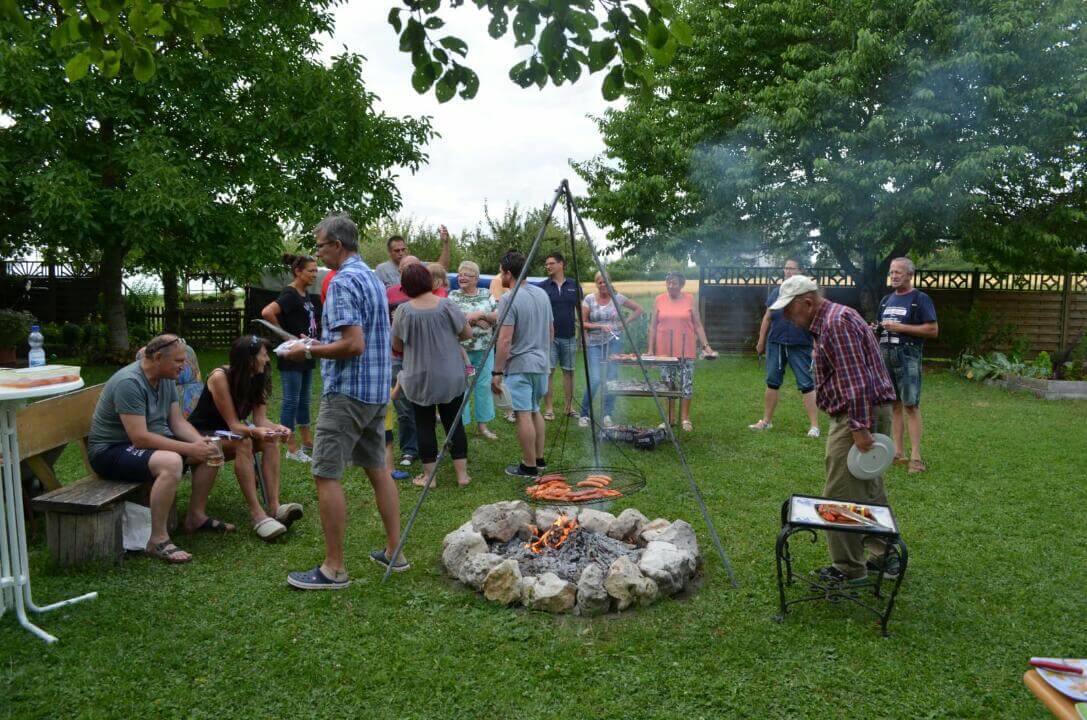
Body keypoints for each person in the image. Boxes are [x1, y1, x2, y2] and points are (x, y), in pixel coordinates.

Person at [285, 213, 405, 591]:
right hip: (374, 393)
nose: (317, 253)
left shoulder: (340, 283)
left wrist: (307, 350)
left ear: (337, 245)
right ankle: (394, 552)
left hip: (347, 395)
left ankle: (334, 569)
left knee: (325, 473)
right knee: (377, 470)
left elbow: (353, 344)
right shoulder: (372, 276)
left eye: (320, 245)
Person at [773, 275, 899, 584]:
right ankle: (885, 555)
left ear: (807, 302)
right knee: (867, 486)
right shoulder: (832, 318)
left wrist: (859, 428)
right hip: (863, 412)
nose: (788, 318)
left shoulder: (834, 324)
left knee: (840, 492)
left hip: (856, 415)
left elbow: (855, 381)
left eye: (790, 311)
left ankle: (849, 567)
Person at [87, 334, 226, 564]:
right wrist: (190, 448)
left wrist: (202, 444)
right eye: (179, 361)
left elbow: (177, 423)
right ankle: (157, 539)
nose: (184, 366)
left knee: (209, 450)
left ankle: (196, 517)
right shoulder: (129, 382)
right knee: (171, 462)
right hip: (110, 451)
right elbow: (139, 438)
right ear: (158, 357)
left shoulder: (167, 378)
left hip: (141, 443)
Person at [186, 336, 304, 541]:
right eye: (264, 356)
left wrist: (277, 428)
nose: (267, 360)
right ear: (249, 359)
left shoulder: (258, 377)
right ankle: (257, 514)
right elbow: (234, 425)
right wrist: (255, 431)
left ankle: (274, 507)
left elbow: (260, 420)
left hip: (230, 434)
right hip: (201, 434)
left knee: (269, 440)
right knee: (244, 442)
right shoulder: (220, 377)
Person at [392, 263, 474, 488]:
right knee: (454, 422)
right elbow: (467, 334)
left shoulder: (403, 311)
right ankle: (462, 476)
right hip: (450, 374)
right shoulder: (447, 305)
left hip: (419, 376)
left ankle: (430, 477)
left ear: (405, 286)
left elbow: (397, 345)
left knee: (424, 424)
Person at [492, 250, 553, 478]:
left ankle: (528, 466)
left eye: (501, 272)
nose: (500, 276)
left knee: (523, 413)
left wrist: (497, 371)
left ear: (509, 273)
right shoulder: (542, 295)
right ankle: (539, 459)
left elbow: (505, 339)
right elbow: (550, 330)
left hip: (520, 364)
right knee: (535, 409)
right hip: (541, 363)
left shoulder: (509, 297)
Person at [876, 257, 938, 474]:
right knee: (893, 404)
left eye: (898, 273)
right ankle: (897, 453)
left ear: (910, 275)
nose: (893, 276)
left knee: (911, 405)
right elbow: (881, 328)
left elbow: (932, 330)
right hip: (886, 354)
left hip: (908, 355)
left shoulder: (920, 299)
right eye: (892, 272)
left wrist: (900, 328)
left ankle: (916, 458)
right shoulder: (886, 300)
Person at [750, 258, 821, 437]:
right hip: (776, 343)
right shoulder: (777, 292)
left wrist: (815, 346)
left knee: (806, 383)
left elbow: (815, 322)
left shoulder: (807, 295)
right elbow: (767, 317)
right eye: (786, 268)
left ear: (800, 271)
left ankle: (814, 426)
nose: (787, 271)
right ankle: (766, 421)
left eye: (792, 268)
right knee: (772, 381)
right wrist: (761, 341)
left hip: (800, 344)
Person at [261, 253, 318, 462]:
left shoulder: (304, 294)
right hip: (293, 354)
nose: (314, 274)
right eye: (311, 271)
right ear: (298, 272)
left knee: (303, 399)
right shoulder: (290, 293)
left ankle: (306, 441)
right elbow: (267, 312)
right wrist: (286, 337)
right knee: (291, 401)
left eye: (315, 270)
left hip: (307, 352)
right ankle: (291, 447)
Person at [647, 272, 716, 432]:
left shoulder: (690, 299)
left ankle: (685, 419)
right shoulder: (659, 299)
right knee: (668, 384)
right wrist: (650, 350)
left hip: (686, 349)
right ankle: (670, 418)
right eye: (669, 283)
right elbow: (652, 326)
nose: (671, 286)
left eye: (675, 283)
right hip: (664, 351)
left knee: (686, 385)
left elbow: (698, 325)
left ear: (682, 285)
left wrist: (706, 346)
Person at [579, 271, 644, 427]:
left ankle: (607, 414)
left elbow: (639, 309)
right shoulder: (589, 299)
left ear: (609, 282)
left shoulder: (617, 298)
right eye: (599, 282)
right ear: (596, 284)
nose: (602, 285)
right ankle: (584, 414)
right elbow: (582, 323)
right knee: (594, 379)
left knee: (611, 378)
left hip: (613, 342)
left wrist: (624, 323)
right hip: (594, 344)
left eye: (605, 282)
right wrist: (600, 326)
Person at [449, 260, 500, 440]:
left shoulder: (486, 294)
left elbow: (497, 314)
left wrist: (481, 315)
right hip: (461, 351)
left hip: (484, 349)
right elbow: (453, 319)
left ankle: (483, 426)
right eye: (460, 274)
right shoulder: (453, 296)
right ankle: (460, 424)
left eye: (466, 275)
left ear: (476, 278)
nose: (461, 278)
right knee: (461, 387)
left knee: (484, 386)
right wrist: (476, 319)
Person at [386, 255, 422, 467]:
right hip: (396, 356)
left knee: (423, 403)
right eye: (403, 269)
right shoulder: (390, 293)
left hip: (421, 357)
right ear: (399, 273)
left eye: (412, 268)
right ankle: (409, 449)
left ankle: (428, 446)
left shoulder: (427, 293)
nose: (407, 273)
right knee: (403, 405)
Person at [537, 252, 580, 420]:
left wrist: (582, 333)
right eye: (546, 264)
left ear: (561, 264)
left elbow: (580, 310)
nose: (548, 266)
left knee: (569, 372)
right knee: (548, 372)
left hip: (569, 336)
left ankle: (569, 407)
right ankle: (548, 408)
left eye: (551, 263)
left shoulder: (574, 285)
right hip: (549, 338)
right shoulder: (542, 287)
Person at [374, 226, 452, 289]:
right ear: (389, 252)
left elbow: (442, 267)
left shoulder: (416, 265)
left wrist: (446, 243)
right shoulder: (381, 269)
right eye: (397, 251)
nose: (401, 253)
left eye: (403, 249)